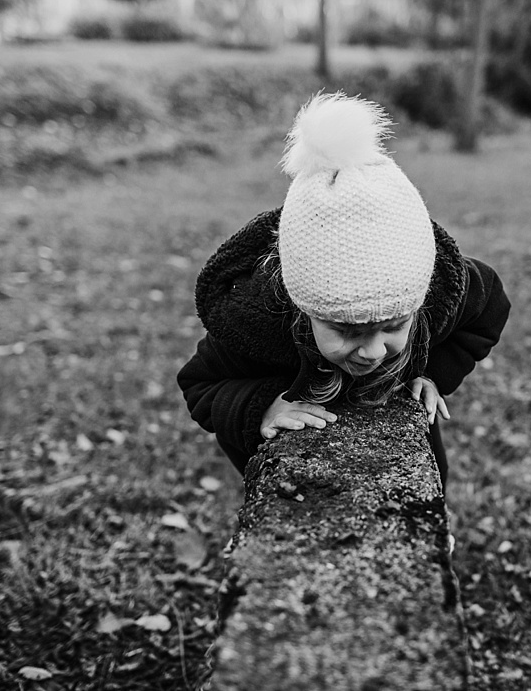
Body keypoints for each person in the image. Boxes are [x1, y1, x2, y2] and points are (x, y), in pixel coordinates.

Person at [177, 93, 510, 487]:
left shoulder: (438, 291)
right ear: (303, 307)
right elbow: (200, 385)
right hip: (300, 487)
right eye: (347, 332)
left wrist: (433, 373)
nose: (372, 352)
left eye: (394, 326)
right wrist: (261, 408)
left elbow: (490, 307)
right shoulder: (255, 320)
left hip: (408, 469)